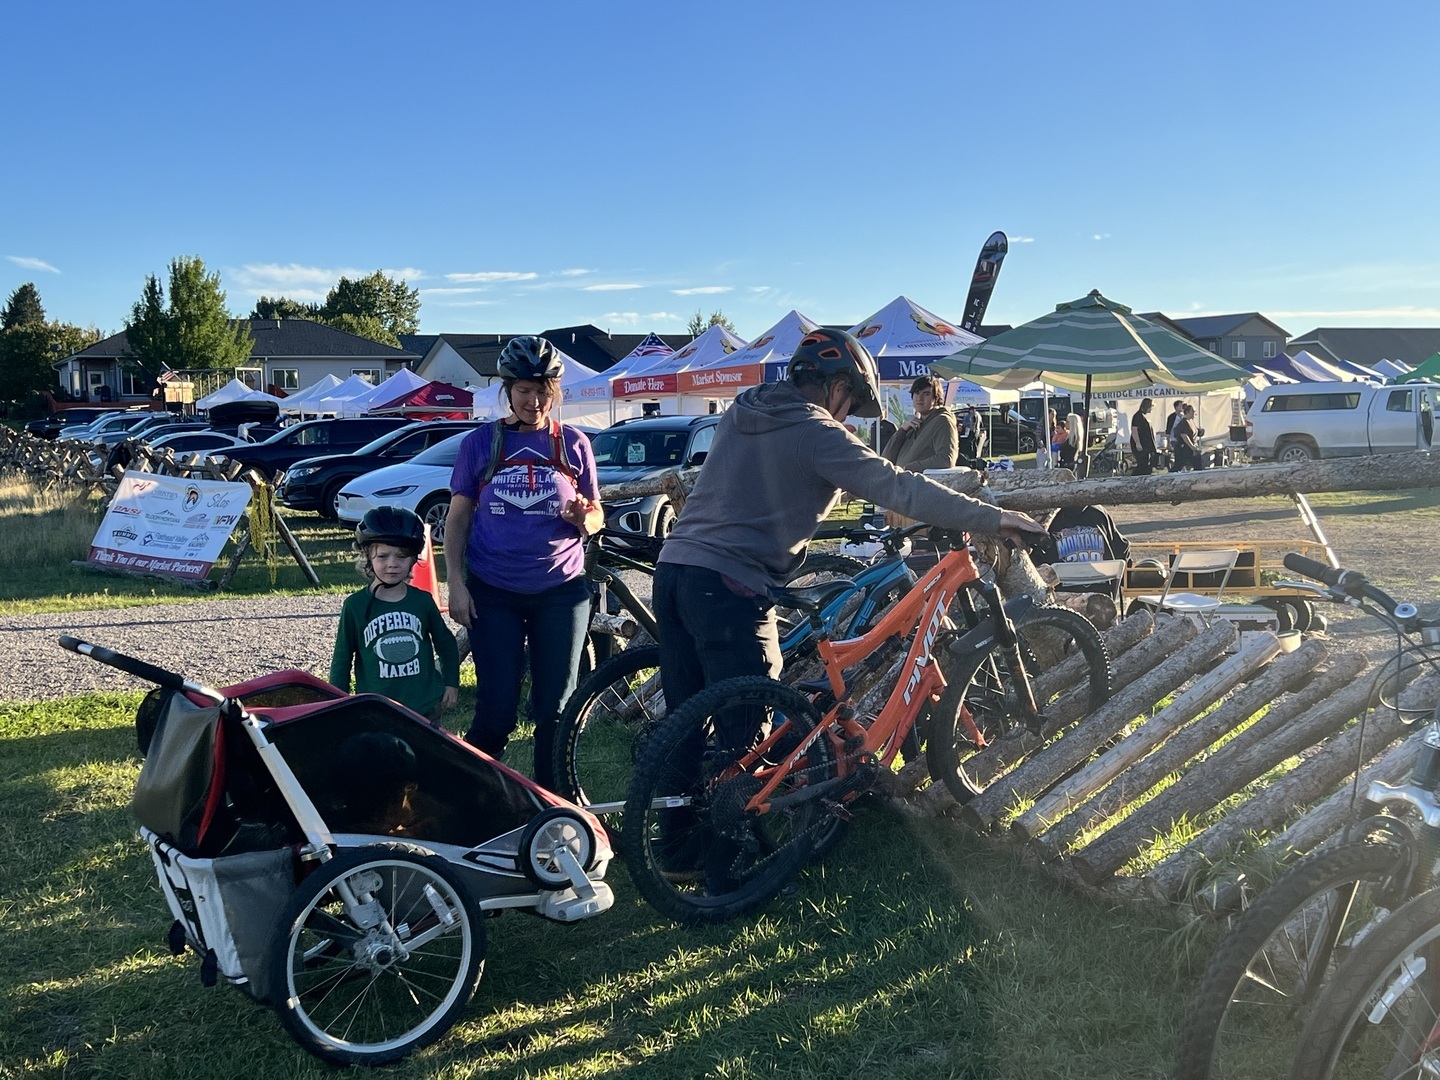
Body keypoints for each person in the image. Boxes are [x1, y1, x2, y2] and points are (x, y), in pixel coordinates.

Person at [654, 326, 1047, 746]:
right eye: (851, 405)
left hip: (675, 569)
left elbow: (766, 482)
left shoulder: (743, 409)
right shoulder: (818, 432)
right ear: (839, 386)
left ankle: (672, 810)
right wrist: (994, 518)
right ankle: (738, 807)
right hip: (731, 584)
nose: (846, 417)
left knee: (682, 729)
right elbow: (900, 486)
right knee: (747, 737)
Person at [443, 336, 604, 788]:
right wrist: (456, 583)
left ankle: (553, 808)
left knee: (556, 709)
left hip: (561, 591)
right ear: (508, 391)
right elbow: (457, 518)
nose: (534, 401)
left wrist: (584, 519)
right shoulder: (482, 443)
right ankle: (469, 794)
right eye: (524, 391)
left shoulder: (572, 444)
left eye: (543, 391)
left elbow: (596, 511)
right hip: (494, 591)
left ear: (555, 391)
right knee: (496, 710)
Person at [330, 506, 460, 720]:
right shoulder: (354, 606)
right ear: (367, 557)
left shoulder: (422, 601)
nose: (392, 564)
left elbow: (446, 644)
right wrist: (338, 702)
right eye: (382, 556)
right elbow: (342, 660)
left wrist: (451, 683)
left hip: (425, 705)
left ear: (413, 559)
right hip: (377, 708)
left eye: (401, 556)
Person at [881, 373, 959, 526]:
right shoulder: (916, 423)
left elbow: (946, 460)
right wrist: (902, 431)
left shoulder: (942, 421)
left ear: (936, 398)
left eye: (926, 394)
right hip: (903, 498)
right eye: (916, 393)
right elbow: (886, 458)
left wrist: (909, 468)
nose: (920, 398)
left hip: (924, 501)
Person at [1174, 403, 1205, 471]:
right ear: (1187, 412)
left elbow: (1195, 432)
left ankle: (1198, 476)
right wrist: (1192, 447)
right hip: (1184, 448)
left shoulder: (1191, 421)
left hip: (1192, 448)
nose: (1194, 413)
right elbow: (1184, 436)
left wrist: (1201, 432)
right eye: (1193, 411)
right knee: (1179, 465)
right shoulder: (1184, 422)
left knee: (1198, 464)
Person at [1130, 397, 1157, 475]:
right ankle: (1134, 477)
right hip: (1140, 443)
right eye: (1151, 407)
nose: (1151, 409)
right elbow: (1134, 430)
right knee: (1142, 463)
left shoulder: (1143, 416)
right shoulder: (1137, 416)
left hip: (1146, 444)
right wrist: (1137, 443)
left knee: (1146, 463)